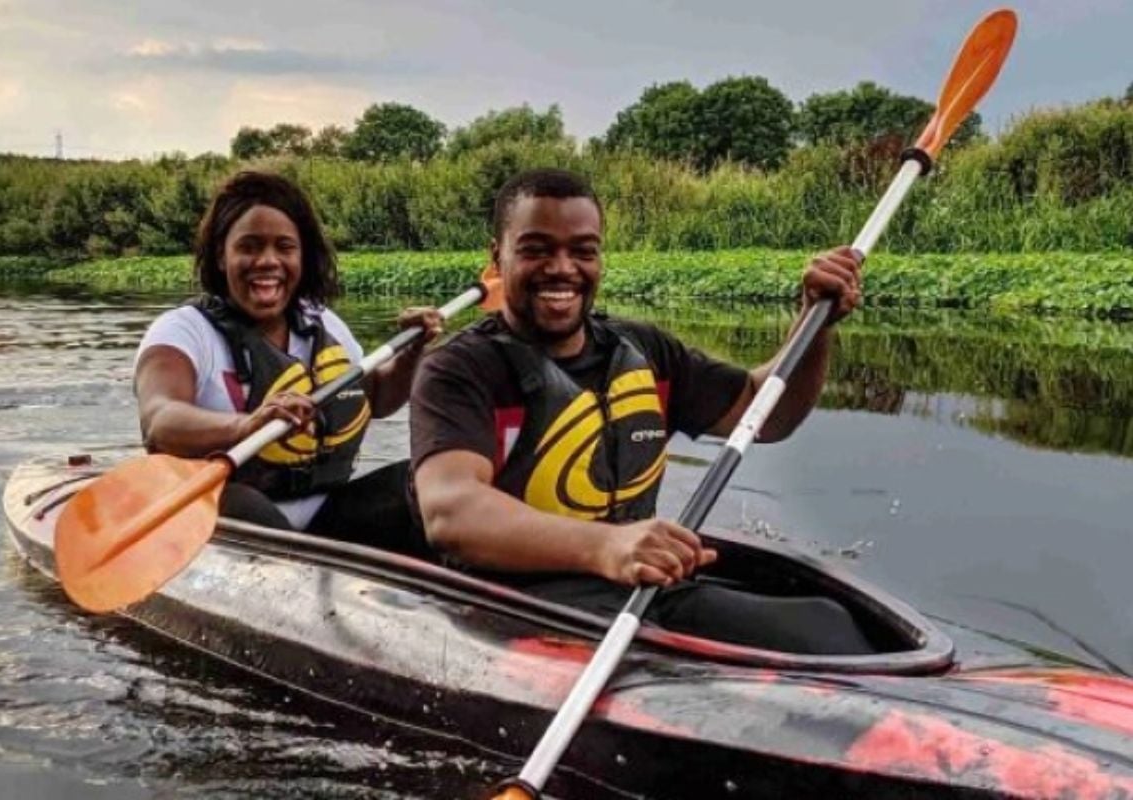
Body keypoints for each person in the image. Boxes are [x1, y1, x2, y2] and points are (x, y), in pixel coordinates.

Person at [408, 168, 873, 654]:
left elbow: (766, 415)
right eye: (536, 249)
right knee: (824, 634)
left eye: (583, 251)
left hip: (631, 590)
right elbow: (450, 512)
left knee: (829, 619)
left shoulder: (644, 350)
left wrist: (814, 324)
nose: (562, 268)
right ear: (497, 258)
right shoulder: (458, 369)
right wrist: (607, 546)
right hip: (510, 606)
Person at [135, 170, 439, 554]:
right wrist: (247, 424)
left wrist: (413, 351)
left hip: (327, 518)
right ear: (220, 255)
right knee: (238, 501)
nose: (268, 261)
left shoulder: (322, 322)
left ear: (302, 256)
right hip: (234, 518)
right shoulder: (182, 332)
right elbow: (159, 420)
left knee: (423, 478)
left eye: (284, 247)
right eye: (249, 247)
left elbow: (377, 399)